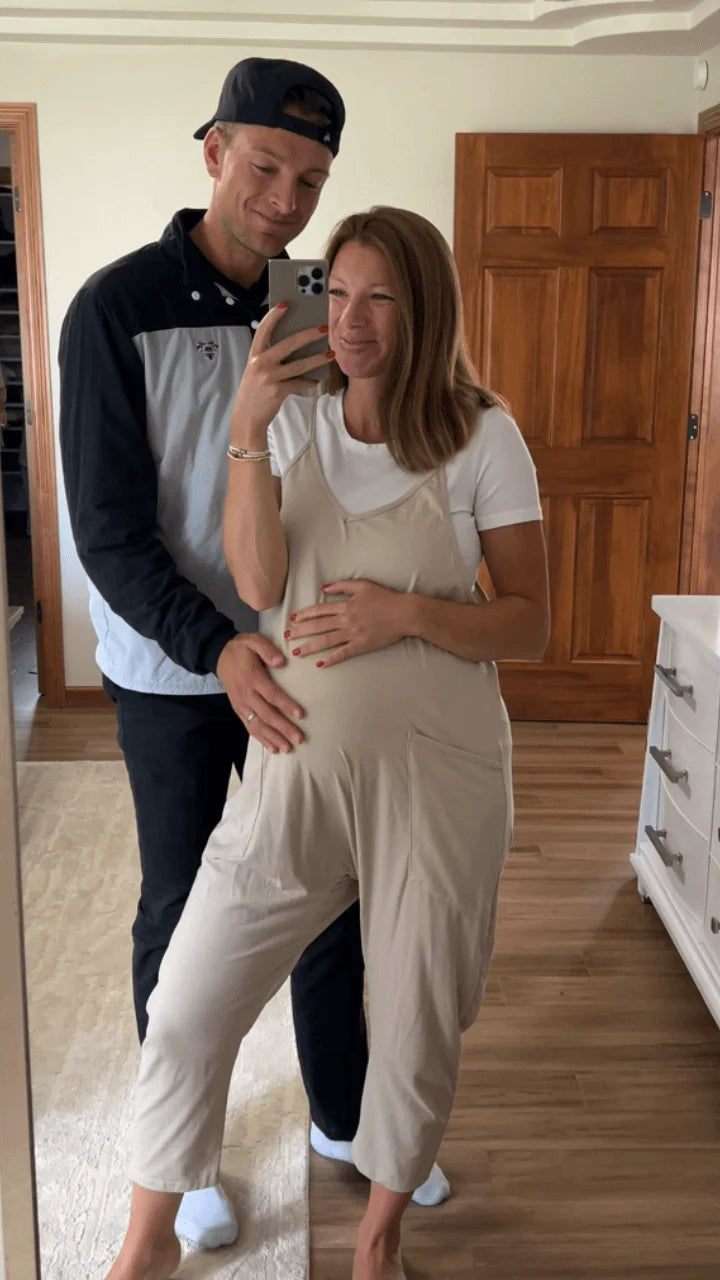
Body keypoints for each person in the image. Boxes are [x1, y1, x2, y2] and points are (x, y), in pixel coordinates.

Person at [104, 205, 550, 1280]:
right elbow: (259, 580)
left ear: (424, 308)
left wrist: (410, 614)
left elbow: (530, 623)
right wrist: (249, 423)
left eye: (379, 298)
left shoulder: (483, 435)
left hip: (439, 783)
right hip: (293, 776)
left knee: (416, 1019)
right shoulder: (292, 423)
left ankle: (378, 1241)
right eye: (336, 293)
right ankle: (145, 1242)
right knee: (188, 1000)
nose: (350, 320)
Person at [59, 58, 448, 1255]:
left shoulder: (321, 297)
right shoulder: (114, 307)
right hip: (177, 669)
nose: (287, 198)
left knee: (325, 892)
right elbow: (108, 532)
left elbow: (359, 457)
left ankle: (341, 1113)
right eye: (268, 166)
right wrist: (216, 643)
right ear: (215, 151)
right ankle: (183, 1155)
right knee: (185, 905)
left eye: (312, 178)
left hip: (306, 656)